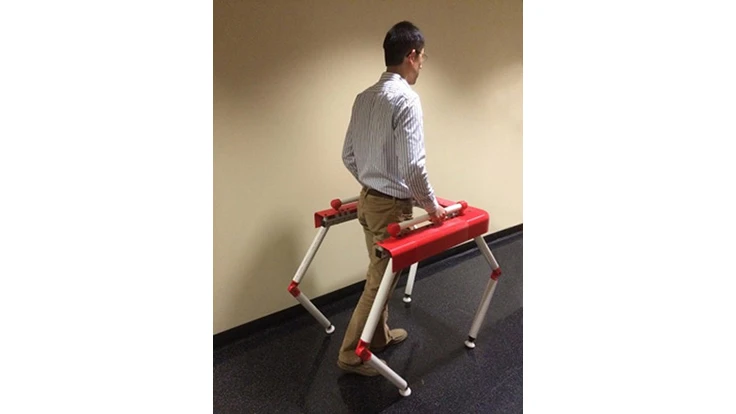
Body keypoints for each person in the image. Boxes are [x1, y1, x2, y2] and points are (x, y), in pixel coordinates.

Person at [337, 21, 447, 376]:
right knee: (379, 281)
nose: (422, 64)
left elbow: (348, 156)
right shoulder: (406, 99)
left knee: (379, 273)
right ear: (411, 56)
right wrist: (432, 207)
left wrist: (372, 182)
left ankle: (379, 336)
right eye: (422, 57)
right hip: (389, 209)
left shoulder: (363, 97)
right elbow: (413, 166)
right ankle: (350, 353)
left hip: (368, 202)